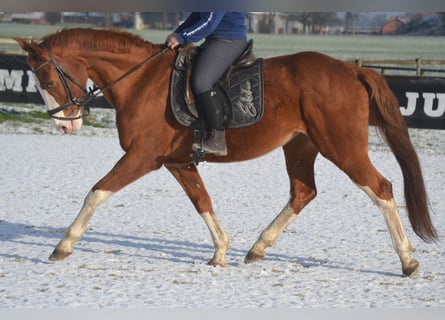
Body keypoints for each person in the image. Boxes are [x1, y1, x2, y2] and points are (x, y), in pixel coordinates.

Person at [165, 12, 248, 156]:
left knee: (201, 81)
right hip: (216, 39)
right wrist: (178, 32)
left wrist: (181, 37)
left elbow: (209, 22)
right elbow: (198, 15)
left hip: (228, 40)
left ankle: (217, 139)